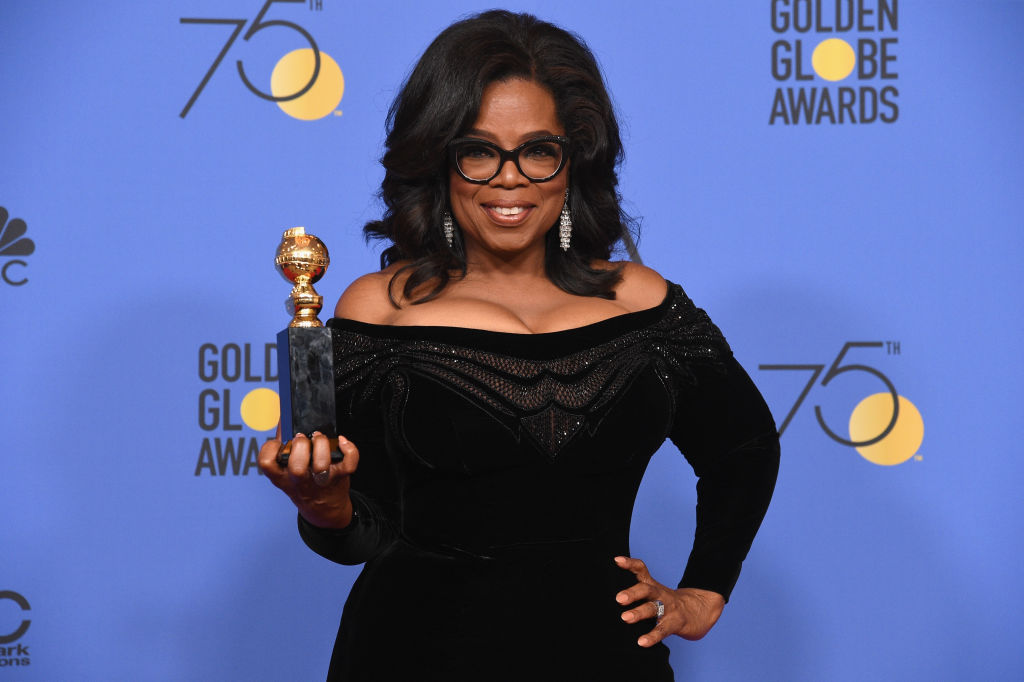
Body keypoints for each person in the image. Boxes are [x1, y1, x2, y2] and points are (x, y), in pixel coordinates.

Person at [259, 10, 779, 681]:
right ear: (441, 162)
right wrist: (324, 509)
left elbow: (744, 448)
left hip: (605, 659)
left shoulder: (643, 304)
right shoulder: (378, 310)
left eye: (538, 150)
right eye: (479, 151)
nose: (510, 178)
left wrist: (705, 590)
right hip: (414, 656)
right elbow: (364, 534)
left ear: (574, 162)